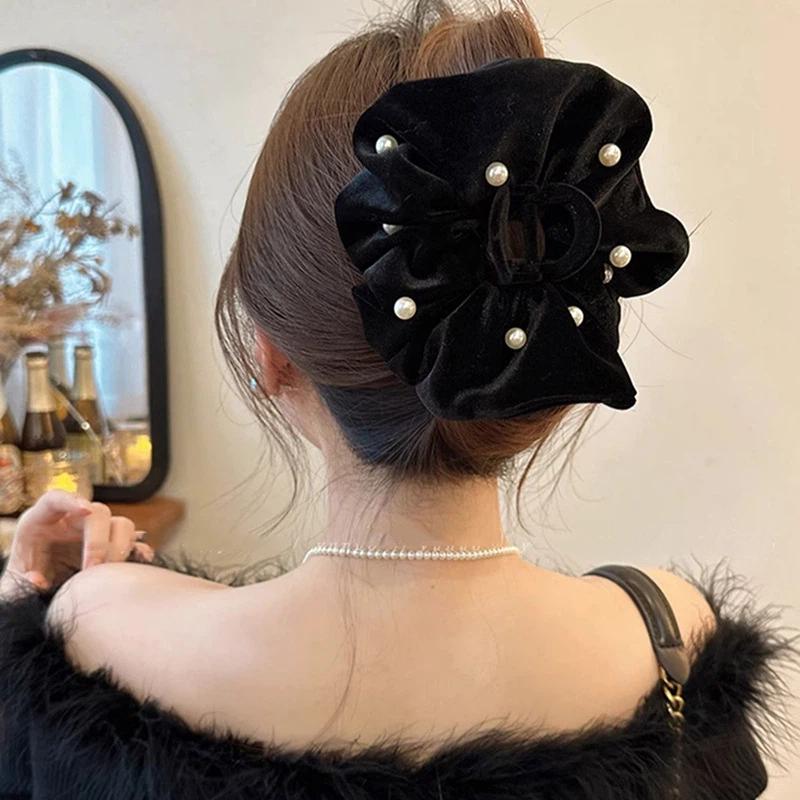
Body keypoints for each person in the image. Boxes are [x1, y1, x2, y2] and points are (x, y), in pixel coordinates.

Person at [0, 1, 796, 798]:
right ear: (552, 369)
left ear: (270, 355)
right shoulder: (671, 645)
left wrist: (25, 608)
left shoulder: (96, 637)